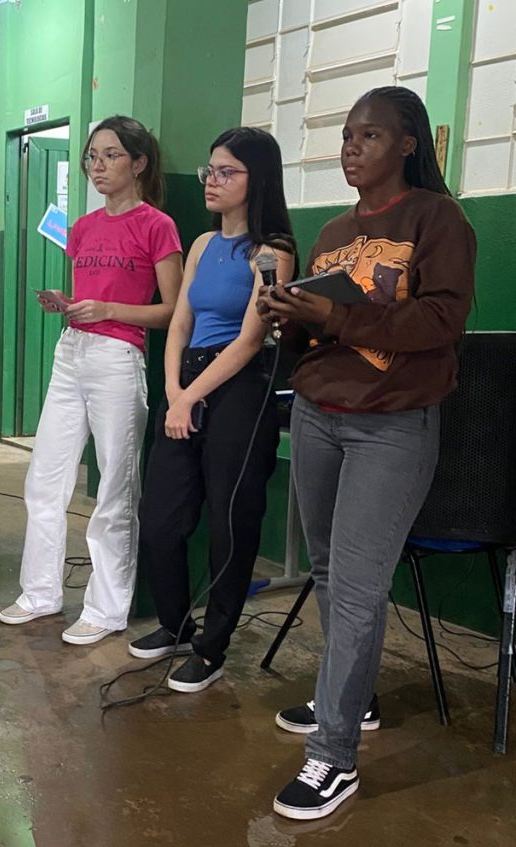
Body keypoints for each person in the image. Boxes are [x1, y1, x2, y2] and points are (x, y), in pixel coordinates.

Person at [257, 86, 476, 821]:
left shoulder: (437, 219)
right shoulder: (333, 230)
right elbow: (318, 333)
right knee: (328, 570)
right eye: (348, 135)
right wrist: (290, 315)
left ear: (408, 143)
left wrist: (336, 314)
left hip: (392, 423)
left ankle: (334, 756)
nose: (352, 147)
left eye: (369, 135)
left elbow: (442, 320)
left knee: (356, 586)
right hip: (319, 413)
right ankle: (355, 699)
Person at [0, 115, 183, 645]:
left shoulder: (157, 225)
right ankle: (40, 592)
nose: (97, 167)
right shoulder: (82, 227)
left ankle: (106, 608)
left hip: (117, 358)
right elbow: (90, 296)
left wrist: (107, 309)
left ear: (138, 163)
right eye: (91, 157)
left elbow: (173, 311)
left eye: (110, 156)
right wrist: (70, 305)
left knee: (115, 485)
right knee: (44, 478)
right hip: (72, 352)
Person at [131, 127, 296, 691]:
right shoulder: (201, 245)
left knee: (231, 521)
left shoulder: (272, 252)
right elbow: (180, 322)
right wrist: (174, 390)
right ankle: (176, 625)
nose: (212, 181)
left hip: (239, 388)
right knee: (159, 518)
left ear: (258, 180)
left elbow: (250, 340)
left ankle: (212, 647)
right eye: (210, 170)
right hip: (187, 382)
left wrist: (191, 395)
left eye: (228, 172)